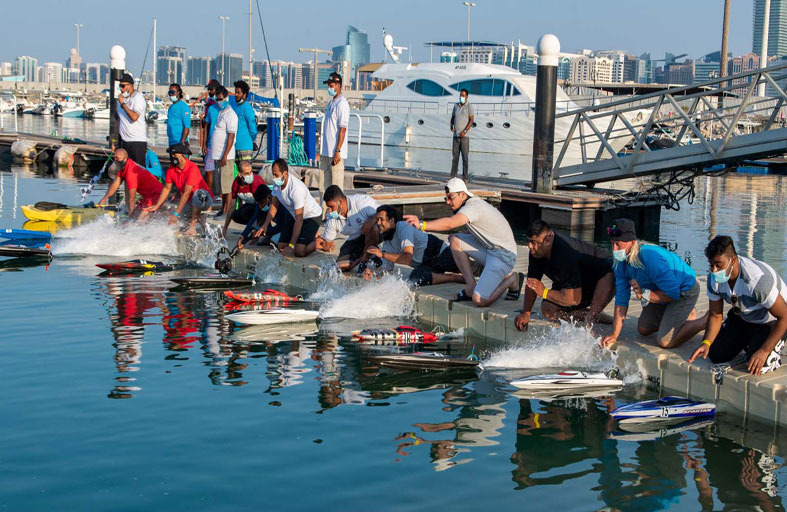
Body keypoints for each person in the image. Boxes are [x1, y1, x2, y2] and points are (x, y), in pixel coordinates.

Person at [404, 178, 522, 307]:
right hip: (491, 250)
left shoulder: (473, 207)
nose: (448, 202)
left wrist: (422, 224)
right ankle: (471, 286)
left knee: (479, 300)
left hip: (504, 256)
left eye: (451, 197)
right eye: (446, 198)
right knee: (455, 239)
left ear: (462, 195)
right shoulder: (472, 204)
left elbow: (450, 223)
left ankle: (511, 280)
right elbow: (478, 228)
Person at [686, 236, 787, 375]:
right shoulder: (713, 279)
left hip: (771, 321)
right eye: (711, 265)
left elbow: (784, 317)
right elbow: (715, 315)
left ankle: (766, 344)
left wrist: (764, 351)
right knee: (715, 354)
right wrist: (706, 342)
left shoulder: (757, 281)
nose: (714, 270)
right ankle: (750, 342)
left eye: (718, 265)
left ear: (732, 260)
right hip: (743, 315)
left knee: (759, 366)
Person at [600, 218, 700, 349]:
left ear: (632, 242)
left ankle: (703, 321)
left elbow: (673, 294)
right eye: (612, 243)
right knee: (644, 328)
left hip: (684, 290)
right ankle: (678, 315)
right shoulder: (619, 262)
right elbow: (621, 300)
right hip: (659, 291)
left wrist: (644, 294)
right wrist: (614, 335)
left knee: (665, 341)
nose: (614, 249)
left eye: (618, 244)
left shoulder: (650, 258)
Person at [515, 219, 615, 331]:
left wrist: (544, 292)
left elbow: (574, 299)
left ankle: (592, 316)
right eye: (528, 241)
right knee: (548, 309)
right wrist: (526, 313)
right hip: (574, 284)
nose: (530, 246)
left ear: (547, 240)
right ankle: (594, 315)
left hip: (599, 282)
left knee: (610, 271)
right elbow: (532, 283)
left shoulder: (565, 253)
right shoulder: (536, 251)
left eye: (533, 242)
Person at [371, 205, 465, 287]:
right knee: (415, 278)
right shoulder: (387, 242)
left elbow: (407, 258)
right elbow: (387, 271)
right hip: (426, 264)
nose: (378, 223)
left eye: (381, 219)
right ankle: (454, 278)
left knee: (470, 269)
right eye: (377, 220)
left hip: (439, 253)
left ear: (391, 221)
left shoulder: (404, 227)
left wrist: (382, 254)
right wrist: (373, 277)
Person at [254, 158, 322, 257]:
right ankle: (308, 237)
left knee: (298, 251)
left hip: (311, 216)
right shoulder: (277, 183)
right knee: (281, 246)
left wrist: (291, 246)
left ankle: (319, 242)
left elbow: (299, 220)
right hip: (294, 215)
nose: (274, 178)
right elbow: (274, 205)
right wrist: (265, 224)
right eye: (273, 174)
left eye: (276, 175)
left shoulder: (296, 189)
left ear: (285, 173)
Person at [146, 143, 213, 236]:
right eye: (171, 155)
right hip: (190, 202)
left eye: (175, 154)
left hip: (204, 199)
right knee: (177, 223)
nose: (173, 157)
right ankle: (199, 218)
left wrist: (176, 214)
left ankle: (193, 227)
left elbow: (186, 193)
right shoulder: (171, 170)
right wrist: (157, 205)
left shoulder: (192, 168)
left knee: (197, 194)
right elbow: (166, 188)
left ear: (183, 155)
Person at [316, 185, 379, 271]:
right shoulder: (331, 218)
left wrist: (372, 220)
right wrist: (320, 243)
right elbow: (328, 244)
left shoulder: (360, 202)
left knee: (373, 228)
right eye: (328, 207)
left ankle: (365, 260)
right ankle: (364, 257)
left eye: (331, 207)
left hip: (373, 234)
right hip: (355, 239)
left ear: (340, 201)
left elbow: (384, 211)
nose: (329, 210)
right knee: (340, 267)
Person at [98, 148, 163, 221]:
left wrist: (130, 217)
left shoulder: (131, 172)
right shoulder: (124, 167)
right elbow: (114, 185)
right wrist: (105, 197)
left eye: (117, 158)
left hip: (157, 194)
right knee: (136, 214)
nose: (115, 160)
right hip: (148, 196)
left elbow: (132, 198)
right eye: (114, 158)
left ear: (125, 158)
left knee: (139, 220)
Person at [210, 85, 238, 219]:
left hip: (225, 156)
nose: (218, 102)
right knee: (221, 186)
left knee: (227, 187)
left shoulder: (231, 114)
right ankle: (222, 209)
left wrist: (225, 155)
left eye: (220, 99)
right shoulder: (222, 113)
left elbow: (231, 136)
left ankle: (227, 213)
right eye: (217, 99)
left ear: (226, 98)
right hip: (217, 155)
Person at [319, 72, 349, 195]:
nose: (329, 88)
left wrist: (338, 150)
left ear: (338, 85)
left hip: (335, 153)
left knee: (336, 188)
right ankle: (323, 207)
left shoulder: (342, 104)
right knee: (323, 188)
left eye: (331, 85)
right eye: (328, 86)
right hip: (326, 152)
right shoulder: (331, 103)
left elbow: (342, 129)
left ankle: (337, 209)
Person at [222, 160, 266, 236]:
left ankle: (256, 229)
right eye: (247, 173)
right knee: (235, 215)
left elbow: (263, 206)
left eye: (251, 172)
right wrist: (225, 228)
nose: (250, 175)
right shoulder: (236, 183)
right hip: (250, 205)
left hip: (261, 207)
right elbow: (232, 207)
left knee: (248, 211)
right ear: (240, 174)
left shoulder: (256, 183)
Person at [116, 73, 147, 166]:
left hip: (137, 141)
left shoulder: (138, 98)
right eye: (119, 86)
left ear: (131, 86)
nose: (121, 89)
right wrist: (115, 141)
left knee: (138, 170)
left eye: (123, 86)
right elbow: (119, 120)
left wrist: (123, 104)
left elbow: (134, 117)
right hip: (124, 141)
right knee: (124, 169)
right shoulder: (120, 101)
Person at [236, 185, 277, 250]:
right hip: (272, 227)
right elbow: (253, 219)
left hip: (286, 227)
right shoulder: (261, 204)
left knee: (275, 242)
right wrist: (243, 236)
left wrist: (263, 232)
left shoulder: (279, 202)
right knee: (261, 241)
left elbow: (282, 226)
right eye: (258, 204)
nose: (260, 206)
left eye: (262, 203)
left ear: (269, 197)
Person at [199, 79, 221, 192]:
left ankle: (220, 194)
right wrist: (203, 144)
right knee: (209, 170)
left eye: (211, 89)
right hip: (210, 143)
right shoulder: (210, 106)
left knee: (220, 171)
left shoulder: (224, 106)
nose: (209, 91)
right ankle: (209, 192)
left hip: (221, 144)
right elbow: (206, 126)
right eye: (209, 89)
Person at [450, 88, 473, 181]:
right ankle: (453, 177)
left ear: (466, 97)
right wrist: (451, 125)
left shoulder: (469, 106)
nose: (461, 97)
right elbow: (453, 117)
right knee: (455, 158)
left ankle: (465, 178)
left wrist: (464, 131)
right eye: (460, 95)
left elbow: (471, 120)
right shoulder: (456, 106)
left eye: (463, 95)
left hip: (464, 137)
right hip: (455, 136)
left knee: (465, 158)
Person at [231, 80, 258, 162]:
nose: (236, 95)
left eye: (238, 93)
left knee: (245, 170)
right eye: (235, 92)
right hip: (234, 147)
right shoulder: (235, 108)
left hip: (245, 148)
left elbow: (253, 129)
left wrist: (249, 140)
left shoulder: (247, 108)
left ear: (244, 95)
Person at [166, 83, 191, 150]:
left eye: (172, 92)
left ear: (178, 93)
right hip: (171, 142)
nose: (171, 94)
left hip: (180, 142)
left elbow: (187, 126)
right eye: (169, 92)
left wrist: (182, 142)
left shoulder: (183, 106)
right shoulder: (170, 107)